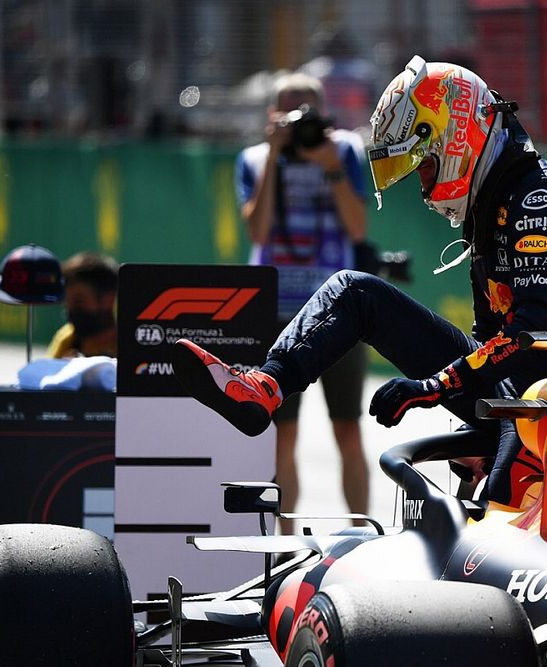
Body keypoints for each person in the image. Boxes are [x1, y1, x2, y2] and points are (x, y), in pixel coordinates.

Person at [174, 55, 547, 508]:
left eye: (424, 166)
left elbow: (531, 336)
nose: (424, 186)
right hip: (518, 398)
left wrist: (435, 387)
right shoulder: (492, 206)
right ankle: (264, 388)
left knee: (490, 535)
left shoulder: (541, 199)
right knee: (354, 292)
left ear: (454, 136)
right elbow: (488, 337)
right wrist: (469, 424)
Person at [235, 71, 371, 533]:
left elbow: (358, 228)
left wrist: (329, 163)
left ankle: (360, 533)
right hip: (274, 306)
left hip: (338, 307)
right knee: (281, 432)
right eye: (288, 110)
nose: (297, 121)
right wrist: (276, 155)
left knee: (348, 426)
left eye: (306, 110)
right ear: (272, 115)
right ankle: (284, 543)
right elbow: (256, 230)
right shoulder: (253, 159)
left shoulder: (347, 151)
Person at [47, 251, 119, 358]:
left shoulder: (132, 342)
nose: (70, 308)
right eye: (66, 301)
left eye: (78, 301)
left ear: (108, 299)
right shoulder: (67, 338)